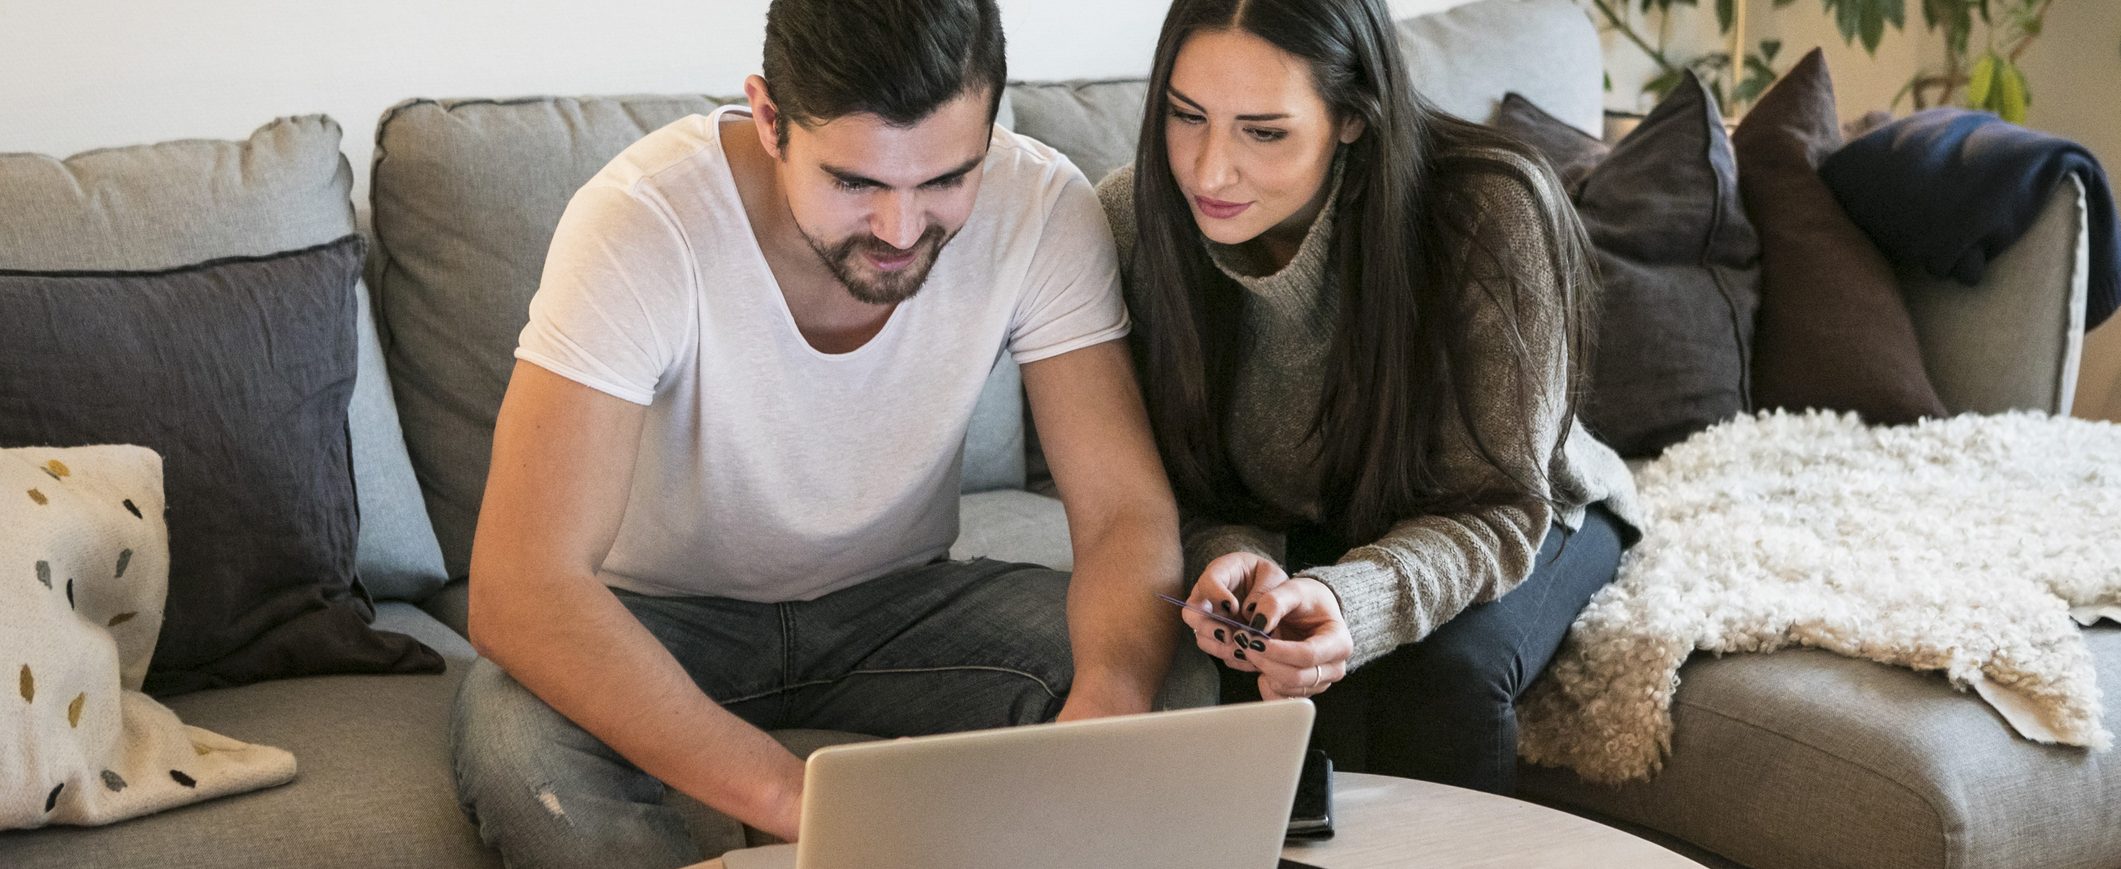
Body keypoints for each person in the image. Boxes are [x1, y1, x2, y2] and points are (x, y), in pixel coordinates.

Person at [451, 0, 1185, 864]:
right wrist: (793, 794)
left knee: (1174, 684)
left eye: (947, 178)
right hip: (655, 621)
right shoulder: (640, 223)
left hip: (896, 606)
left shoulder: (1042, 205)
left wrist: (1110, 702)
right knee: (515, 751)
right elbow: (520, 587)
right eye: (857, 182)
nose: (901, 230)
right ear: (769, 119)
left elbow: (1121, 513)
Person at [1098, 0, 1644, 795]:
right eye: (1185, 116)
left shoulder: (1492, 208)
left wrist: (1348, 596)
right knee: (1238, 665)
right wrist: (1232, 560)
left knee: (1440, 678)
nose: (1208, 171)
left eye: (1263, 131)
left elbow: (1497, 504)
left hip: (1522, 506)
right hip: (1311, 517)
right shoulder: (1138, 220)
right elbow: (1171, 481)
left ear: (1353, 117)